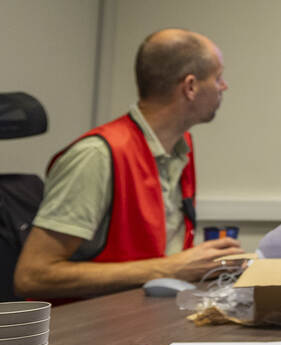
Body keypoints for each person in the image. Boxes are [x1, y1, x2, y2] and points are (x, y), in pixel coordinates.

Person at [15, 29, 243, 298]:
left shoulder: (180, 151)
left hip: (144, 321)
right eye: (217, 77)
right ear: (190, 87)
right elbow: (32, 276)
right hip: (89, 332)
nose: (223, 86)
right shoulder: (97, 156)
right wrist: (167, 269)